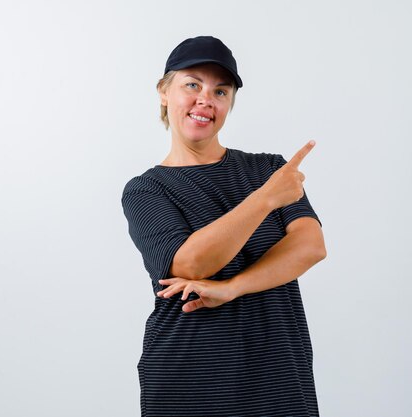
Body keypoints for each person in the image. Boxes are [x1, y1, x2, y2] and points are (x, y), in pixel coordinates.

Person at [121, 35, 327, 417]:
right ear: (164, 92)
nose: (205, 99)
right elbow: (192, 264)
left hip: (277, 371)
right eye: (192, 85)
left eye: (221, 91)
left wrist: (233, 288)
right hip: (191, 377)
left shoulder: (267, 169)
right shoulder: (146, 190)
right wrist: (266, 199)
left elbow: (310, 246)